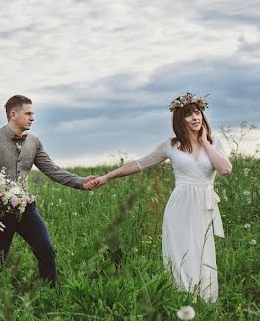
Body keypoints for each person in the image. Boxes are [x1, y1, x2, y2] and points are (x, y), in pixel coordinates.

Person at [86, 93, 232, 302]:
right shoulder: (170, 146)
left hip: (203, 206)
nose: (195, 118)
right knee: (181, 251)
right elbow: (139, 164)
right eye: (188, 115)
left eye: (197, 113)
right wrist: (107, 177)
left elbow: (225, 169)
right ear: (179, 120)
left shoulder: (214, 143)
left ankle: (206, 300)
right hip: (180, 206)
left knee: (203, 251)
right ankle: (182, 298)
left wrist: (205, 143)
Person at [0, 94, 98, 284]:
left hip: (26, 207)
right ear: (13, 114)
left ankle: (50, 293)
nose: (32, 118)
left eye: (33, 114)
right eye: (28, 113)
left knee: (45, 249)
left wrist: (80, 181)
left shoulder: (34, 142)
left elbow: (51, 169)